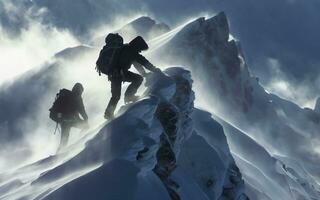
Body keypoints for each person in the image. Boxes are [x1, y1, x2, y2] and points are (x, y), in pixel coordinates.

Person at [104, 36, 161, 120]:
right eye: (140, 49)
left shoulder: (127, 49)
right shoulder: (131, 52)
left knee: (117, 95)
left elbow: (137, 64)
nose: (140, 51)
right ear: (137, 46)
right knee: (135, 81)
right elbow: (143, 61)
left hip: (116, 74)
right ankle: (127, 98)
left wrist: (144, 73)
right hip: (118, 74)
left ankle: (110, 112)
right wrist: (154, 69)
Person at [49, 83, 89, 151]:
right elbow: (82, 110)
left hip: (67, 121)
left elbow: (82, 110)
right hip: (67, 121)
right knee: (85, 127)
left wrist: (62, 118)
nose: (79, 93)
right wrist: (85, 118)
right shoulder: (73, 97)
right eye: (80, 91)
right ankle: (80, 142)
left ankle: (79, 142)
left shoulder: (72, 96)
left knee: (64, 141)